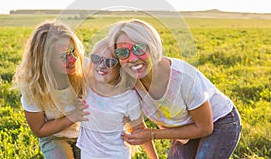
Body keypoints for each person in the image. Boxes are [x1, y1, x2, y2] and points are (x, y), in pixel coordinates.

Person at [107, 19, 242, 159]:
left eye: (139, 49)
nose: (133, 59)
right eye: (123, 52)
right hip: (183, 127)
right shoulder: (128, 83)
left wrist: (154, 134)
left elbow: (205, 127)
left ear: (152, 46)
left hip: (219, 122)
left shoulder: (184, 78)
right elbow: (139, 130)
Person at [13, 22, 89, 159]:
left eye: (73, 51)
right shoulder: (34, 87)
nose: (73, 59)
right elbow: (39, 129)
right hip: (54, 137)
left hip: (85, 132)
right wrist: (73, 116)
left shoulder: (85, 68)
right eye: (63, 56)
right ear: (45, 60)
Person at [76, 38, 158, 159]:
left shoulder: (128, 97)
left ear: (121, 67)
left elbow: (139, 130)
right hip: (88, 154)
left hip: (116, 155)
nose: (102, 65)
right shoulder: (86, 85)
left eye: (109, 62)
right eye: (96, 59)